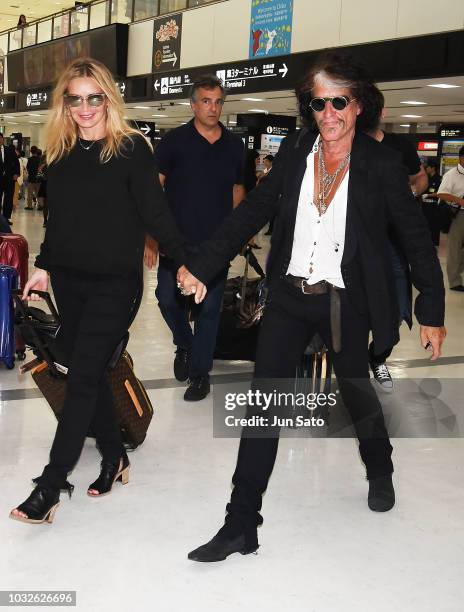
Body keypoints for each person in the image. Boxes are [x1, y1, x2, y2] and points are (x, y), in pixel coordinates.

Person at [179, 53, 446, 562]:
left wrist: (431, 310)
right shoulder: (298, 151)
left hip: (346, 303)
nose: (328, 113)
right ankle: (241, 522)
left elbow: (415, 242)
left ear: (359, 104)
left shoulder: (383, 165)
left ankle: (380, 464)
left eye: (338, 101)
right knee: (264, 405)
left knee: (354, 388)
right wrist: (202, 263)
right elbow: (253, 212)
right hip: (289, 296)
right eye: (318, 103)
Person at [9, 57, 185, 526]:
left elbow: (156, 214)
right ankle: (114, 454)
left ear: (108, 97)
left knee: (83, 374)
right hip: (70, 279)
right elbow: (60, 220)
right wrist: (44, 268)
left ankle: (50, 485)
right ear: (64, 102)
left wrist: (189, 260)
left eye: (94, 97)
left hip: (115, 284)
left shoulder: (131, 149)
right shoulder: (61, 150)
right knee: (88, 370)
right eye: (75, 98)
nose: (85, 108)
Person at [145, 74, 245, 402]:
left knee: (210, 309)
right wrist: (151, 236)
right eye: (206, 101)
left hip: (215, 246)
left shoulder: (234, 146)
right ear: (192, 104)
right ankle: (185, 345)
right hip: (177, 242)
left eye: (217, 101)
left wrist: (236, 234)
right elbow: (153, 190)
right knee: (166, 297)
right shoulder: (174, 141)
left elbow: (237, 191)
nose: (212, 107)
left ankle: (200, 374)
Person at [366, 93, 428, 391]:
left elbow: (421, 180)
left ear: (383, 111)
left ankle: (379, 358)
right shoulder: (347, 144)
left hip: (393, 241)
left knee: (395, 306)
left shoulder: (399, 146)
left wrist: (405, 199)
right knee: (352, 307)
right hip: (356, 240)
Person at [437, 146, 464, 291]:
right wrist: (458, 200)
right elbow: (441, 194)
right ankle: (454, 282)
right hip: (457, 213)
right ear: (461, 158)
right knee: (454, 248)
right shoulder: (451, 174)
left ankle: (459, 274)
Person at [0, 133, 20, 225]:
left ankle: (6, 218)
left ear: (3, 139)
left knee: (8, 198)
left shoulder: (10, 150)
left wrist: (16, 173)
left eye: (0, 138)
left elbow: (16, 162)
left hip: (9, 178)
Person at [422, 162, 442, 247]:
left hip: (434, 205)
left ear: (433, 168)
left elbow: (440, 193)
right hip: (425, 205)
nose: (427, 169)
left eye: (428, 167)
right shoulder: (427, 178)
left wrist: (428, 195)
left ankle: (434, 242)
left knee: (434, 224)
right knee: (425, 223)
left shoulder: (439, 179)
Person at [25, 146, 40, 210]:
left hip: (31, 178)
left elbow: (27, 168)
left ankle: (30, 206)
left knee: (30, 193)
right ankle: (40, 206)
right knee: (39, 193)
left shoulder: (30, 159)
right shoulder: (40, 159)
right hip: (38, 178)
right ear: (37, 151)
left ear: (31, 151)